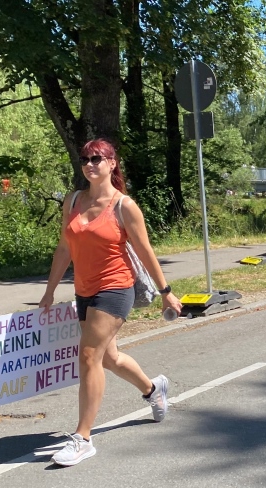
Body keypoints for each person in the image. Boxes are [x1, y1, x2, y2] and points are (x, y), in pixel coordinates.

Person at [39, 139, 183, 467]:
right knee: (109, 358)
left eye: (97, 159)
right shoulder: (73, 201)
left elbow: (145, 250)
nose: (89, 164)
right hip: (84, 290)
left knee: (89, 355)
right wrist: (49, 291)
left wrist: (166, 291)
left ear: (112, 163)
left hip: (116, 288)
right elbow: (64, 248)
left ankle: (82, 438)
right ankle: (153, 389)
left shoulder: (124, 206)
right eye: (84, 159)